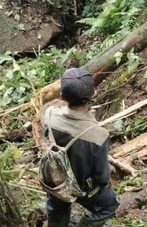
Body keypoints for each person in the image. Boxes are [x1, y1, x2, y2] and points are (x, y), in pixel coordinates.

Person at [42, 68, 119, 227]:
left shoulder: (49, 114)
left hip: (56, 179)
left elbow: (46, 135)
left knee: (57, 207)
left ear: (62, 96)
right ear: (93, 94)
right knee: (109, 205)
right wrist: (106, 179)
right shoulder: (98, 135)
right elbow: (101, 176)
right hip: (81, 186)